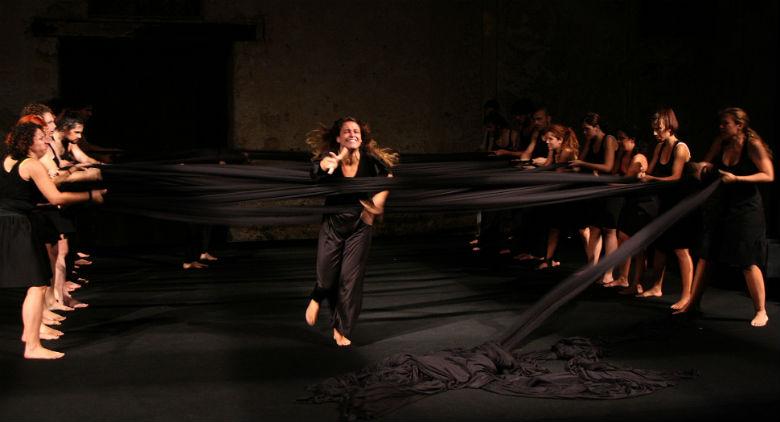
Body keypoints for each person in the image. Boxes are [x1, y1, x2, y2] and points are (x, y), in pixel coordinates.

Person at [0, 119, 104, 359]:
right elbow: (56, 197)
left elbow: (26, 195)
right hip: (19, 226)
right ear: (28, 142)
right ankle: (32, 346)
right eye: (41, 138)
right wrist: (90, 195)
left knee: (35, 285)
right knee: (37, 285)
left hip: (7, 222)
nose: (46, 140)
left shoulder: (8, 161)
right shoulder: (31, 164)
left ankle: (30, 336)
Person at [303, 117, 398, 346]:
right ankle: (317, 295)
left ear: (361, 137)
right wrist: (331, 165)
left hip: (360, 224)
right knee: (327, 274)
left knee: (350, 279)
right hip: (334, 224)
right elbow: (319, 169)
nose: (352, 134)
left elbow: (388, 177)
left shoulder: (370, 159)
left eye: (356, 131)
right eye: (346, 131)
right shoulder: (330, 157)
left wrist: (376, 206)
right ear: (338, 137)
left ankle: (342, 328)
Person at [677, 108, 773, 327]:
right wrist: (702, 167)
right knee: (707, 254)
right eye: (720, 124)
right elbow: (707, 165)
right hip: (722, 206)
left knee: (747, 258)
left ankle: (760, 310)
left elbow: (768, 174)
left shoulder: (752, 145)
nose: (721, 127)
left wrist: (737, 178)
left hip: (746, 208)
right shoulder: (721, 143)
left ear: (739, 125)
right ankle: (693, 304)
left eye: (725, 124)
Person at [639, 107, 695, 310]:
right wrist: (642, 171)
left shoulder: (680, 148)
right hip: (665, 203)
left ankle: (687, 295)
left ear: (669, 127)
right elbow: (651, 171)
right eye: (653, 129)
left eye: (658, 128)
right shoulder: (659, 147)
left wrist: (650, 178)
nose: (655, 133)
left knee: (681, 250)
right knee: (661, 247)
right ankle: (656, 286)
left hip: (681, 205)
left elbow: (675, 178)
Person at [571, 112, 621, 284]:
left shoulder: (609, 139)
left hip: (610, 191)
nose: (584, 133)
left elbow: (608, 166)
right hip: (595, 191)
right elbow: (580, 161)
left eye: (587, 129)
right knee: (593, 229)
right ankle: (592, 267)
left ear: (597, 128)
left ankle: (608, 272)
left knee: (609, 230)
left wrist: (583, 165)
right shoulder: (590, 141)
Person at [611, 127, 658, 293]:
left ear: (633, 140)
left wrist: (609, 184)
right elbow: (615, 172)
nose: (619, 141)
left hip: (643, 203)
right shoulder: (625, 155)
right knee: (623, 237)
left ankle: (636, 284)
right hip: (631, 201)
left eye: (622, 138)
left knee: (637, 245)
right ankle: (624, 278)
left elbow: (627, 181)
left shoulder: (639, 158)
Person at [535, 124, 580, 269]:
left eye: (550, 139)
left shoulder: (566, 151)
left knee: (579, 229)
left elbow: (558, 173)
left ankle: (554, 259)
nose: (547, 142)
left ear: (560, 140)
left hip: (570, 194)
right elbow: (549, 166)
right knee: (554, 227)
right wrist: (549, 153)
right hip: (561, 193)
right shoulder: (557, 151)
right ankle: (549, 259)